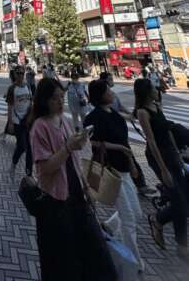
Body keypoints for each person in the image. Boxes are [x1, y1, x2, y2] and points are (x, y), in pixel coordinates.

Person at [29, 78, 117, 281]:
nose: (60, 103)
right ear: (43, 101)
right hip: (56, 202)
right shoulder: (39, 127)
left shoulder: (64, 121)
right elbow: (45, 168)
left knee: (96, 254)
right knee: (64, 261)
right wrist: (68, 147)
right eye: (54, 99)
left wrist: (86, 184)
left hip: (77, 195)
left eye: (61, 97)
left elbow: (74, 159)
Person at [84, 79, 144, 272]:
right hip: (110, 171)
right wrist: (113, 147)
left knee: (136, 212)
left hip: (125, 169)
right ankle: (134, 262)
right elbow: (89, 143)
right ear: (100, 95)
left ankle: (109, 226)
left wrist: (133, 164)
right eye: (108, 89)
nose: (112, 92)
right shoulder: (93, 117)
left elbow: (125, 142)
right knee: (129, 220)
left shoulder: (116, 116)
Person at [134, 77, 188, 261]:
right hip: (157, 157)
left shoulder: (157, 107)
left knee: (184, 199)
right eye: (152, 87)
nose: (156, 88)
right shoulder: (142, 112)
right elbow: (151, 141)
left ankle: (159, 219)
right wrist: (163, 170)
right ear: (146, 91)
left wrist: (178, 155)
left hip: (171, 154)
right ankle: (182, 246)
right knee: (179, 201)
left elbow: (167, 132)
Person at [99, 71, 155, 198]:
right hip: (114, 138)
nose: (112, 80)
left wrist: (130, 113)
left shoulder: (113, 96)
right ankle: (138, 186)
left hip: (121, 133)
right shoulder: (104, 99)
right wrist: (128, 116)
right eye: (110, 78)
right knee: (128, 161)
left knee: (130, 160)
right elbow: (113, 114)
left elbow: (120, 107)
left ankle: (140, 185)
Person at [6, 65, 33, 176]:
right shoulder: (12, 88)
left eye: (22, 73)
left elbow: (31, 101)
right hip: (17, 121)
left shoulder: (27, 86)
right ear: (15, 74)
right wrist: (10, 122)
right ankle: (14, 163)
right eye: (18, 73)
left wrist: (31, 116)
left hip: (28, 120)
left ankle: (29, 173)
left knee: (30, 148)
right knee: (21, 146)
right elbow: (10, 106)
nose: (21, 75)